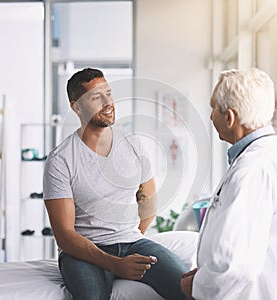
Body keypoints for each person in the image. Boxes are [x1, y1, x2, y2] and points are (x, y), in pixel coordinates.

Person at [43, 67, 189, 300]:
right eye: (96, 97)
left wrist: (132, 236)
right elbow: (64, 235)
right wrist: (117, 265)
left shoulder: (133, 145)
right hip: (83, 252)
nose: (108, 102)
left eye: (108, 94)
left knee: (189, 288)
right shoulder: (60, 160)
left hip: (132, 242)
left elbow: (148, 201)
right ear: (76, 106)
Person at [180, 67, 277, 299]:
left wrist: (197, 287)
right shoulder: (274, 153)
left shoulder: (252, 169)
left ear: (230, 117)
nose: (210, 117)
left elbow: (234, 264)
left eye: (212, 109)